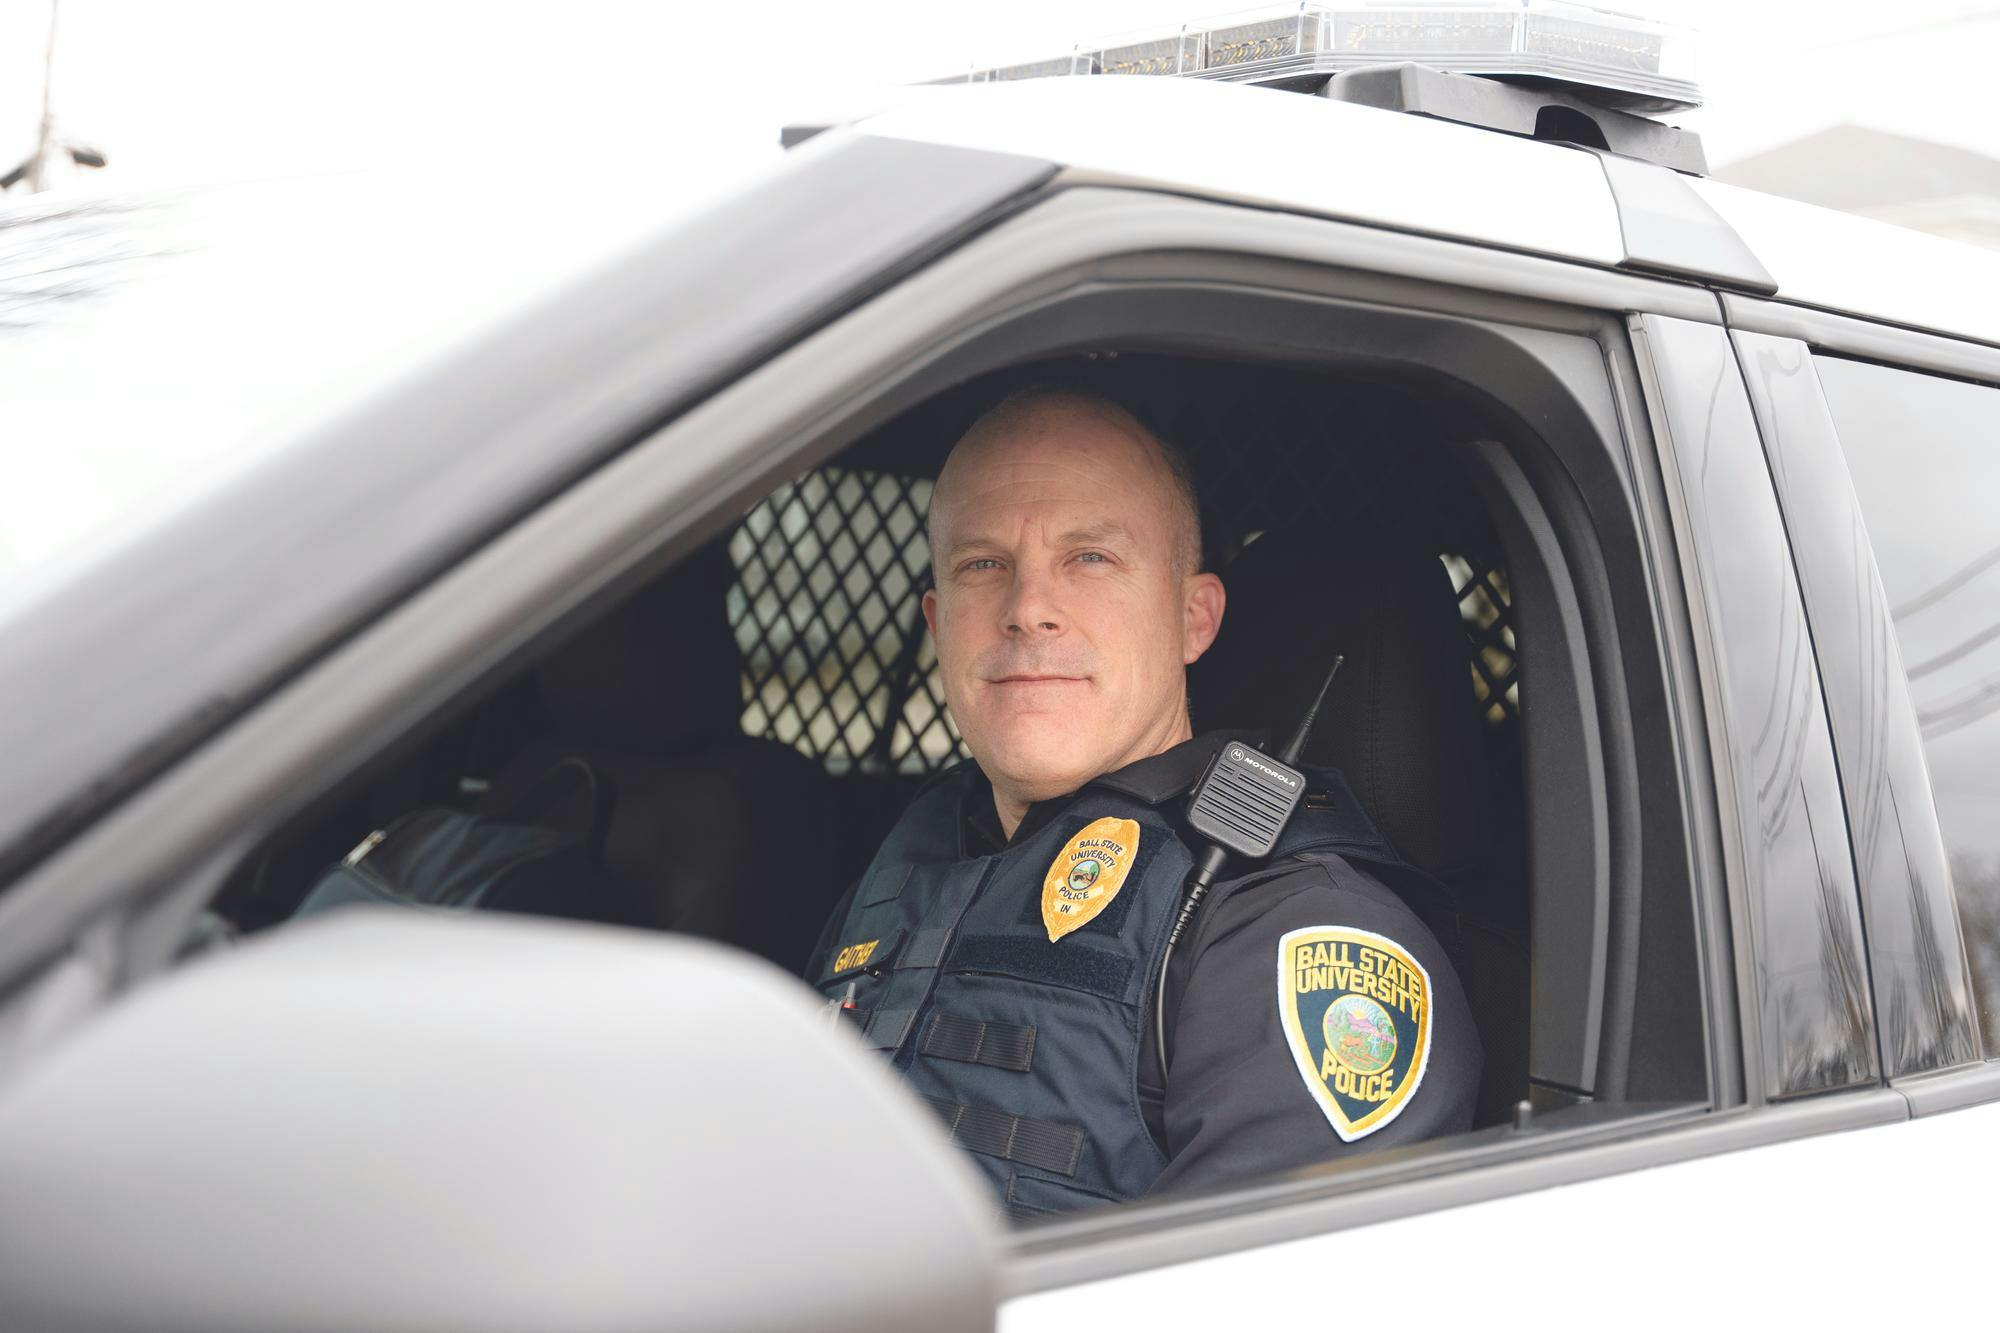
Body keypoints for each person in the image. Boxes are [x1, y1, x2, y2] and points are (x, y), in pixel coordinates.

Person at [807, 388, 1479, 1218]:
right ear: (938, 623)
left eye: (1089, 557)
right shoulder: (906, 863)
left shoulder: (1282, 937)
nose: (1027, 611)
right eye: (983, 563)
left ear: (1193, 618)